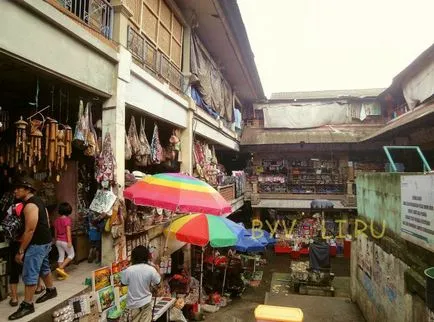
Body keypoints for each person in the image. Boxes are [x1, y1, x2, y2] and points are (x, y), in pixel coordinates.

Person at [8, 176, 57, 320]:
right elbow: (47, 221)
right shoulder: (39, 201)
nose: (15, 191)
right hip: (45, 241)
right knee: (44, 267)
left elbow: (30, 230)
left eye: (18, 188)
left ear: (28, 189)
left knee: (30, 271)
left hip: (37, 243)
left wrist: (21, 250)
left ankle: (27, 304)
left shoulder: (30, 205)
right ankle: (51, 290)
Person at [121, 245, 161, 322]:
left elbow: (123, 283)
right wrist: (158, 270)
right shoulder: (151, 270)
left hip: (132, 306)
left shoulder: (128, 270)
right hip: (146, 304)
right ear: (146, 256)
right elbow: (158, 284)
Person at [54, 202, 75, 279]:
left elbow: (55, 232)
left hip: (58, 241)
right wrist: (69, 242)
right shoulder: (67, 220)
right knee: (71, 255)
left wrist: (55, 240)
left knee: (61, 256)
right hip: (65, 241)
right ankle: (60, 268)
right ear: (69, 211)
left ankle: (61, 274)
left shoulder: (56, 220)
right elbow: (68, 231)